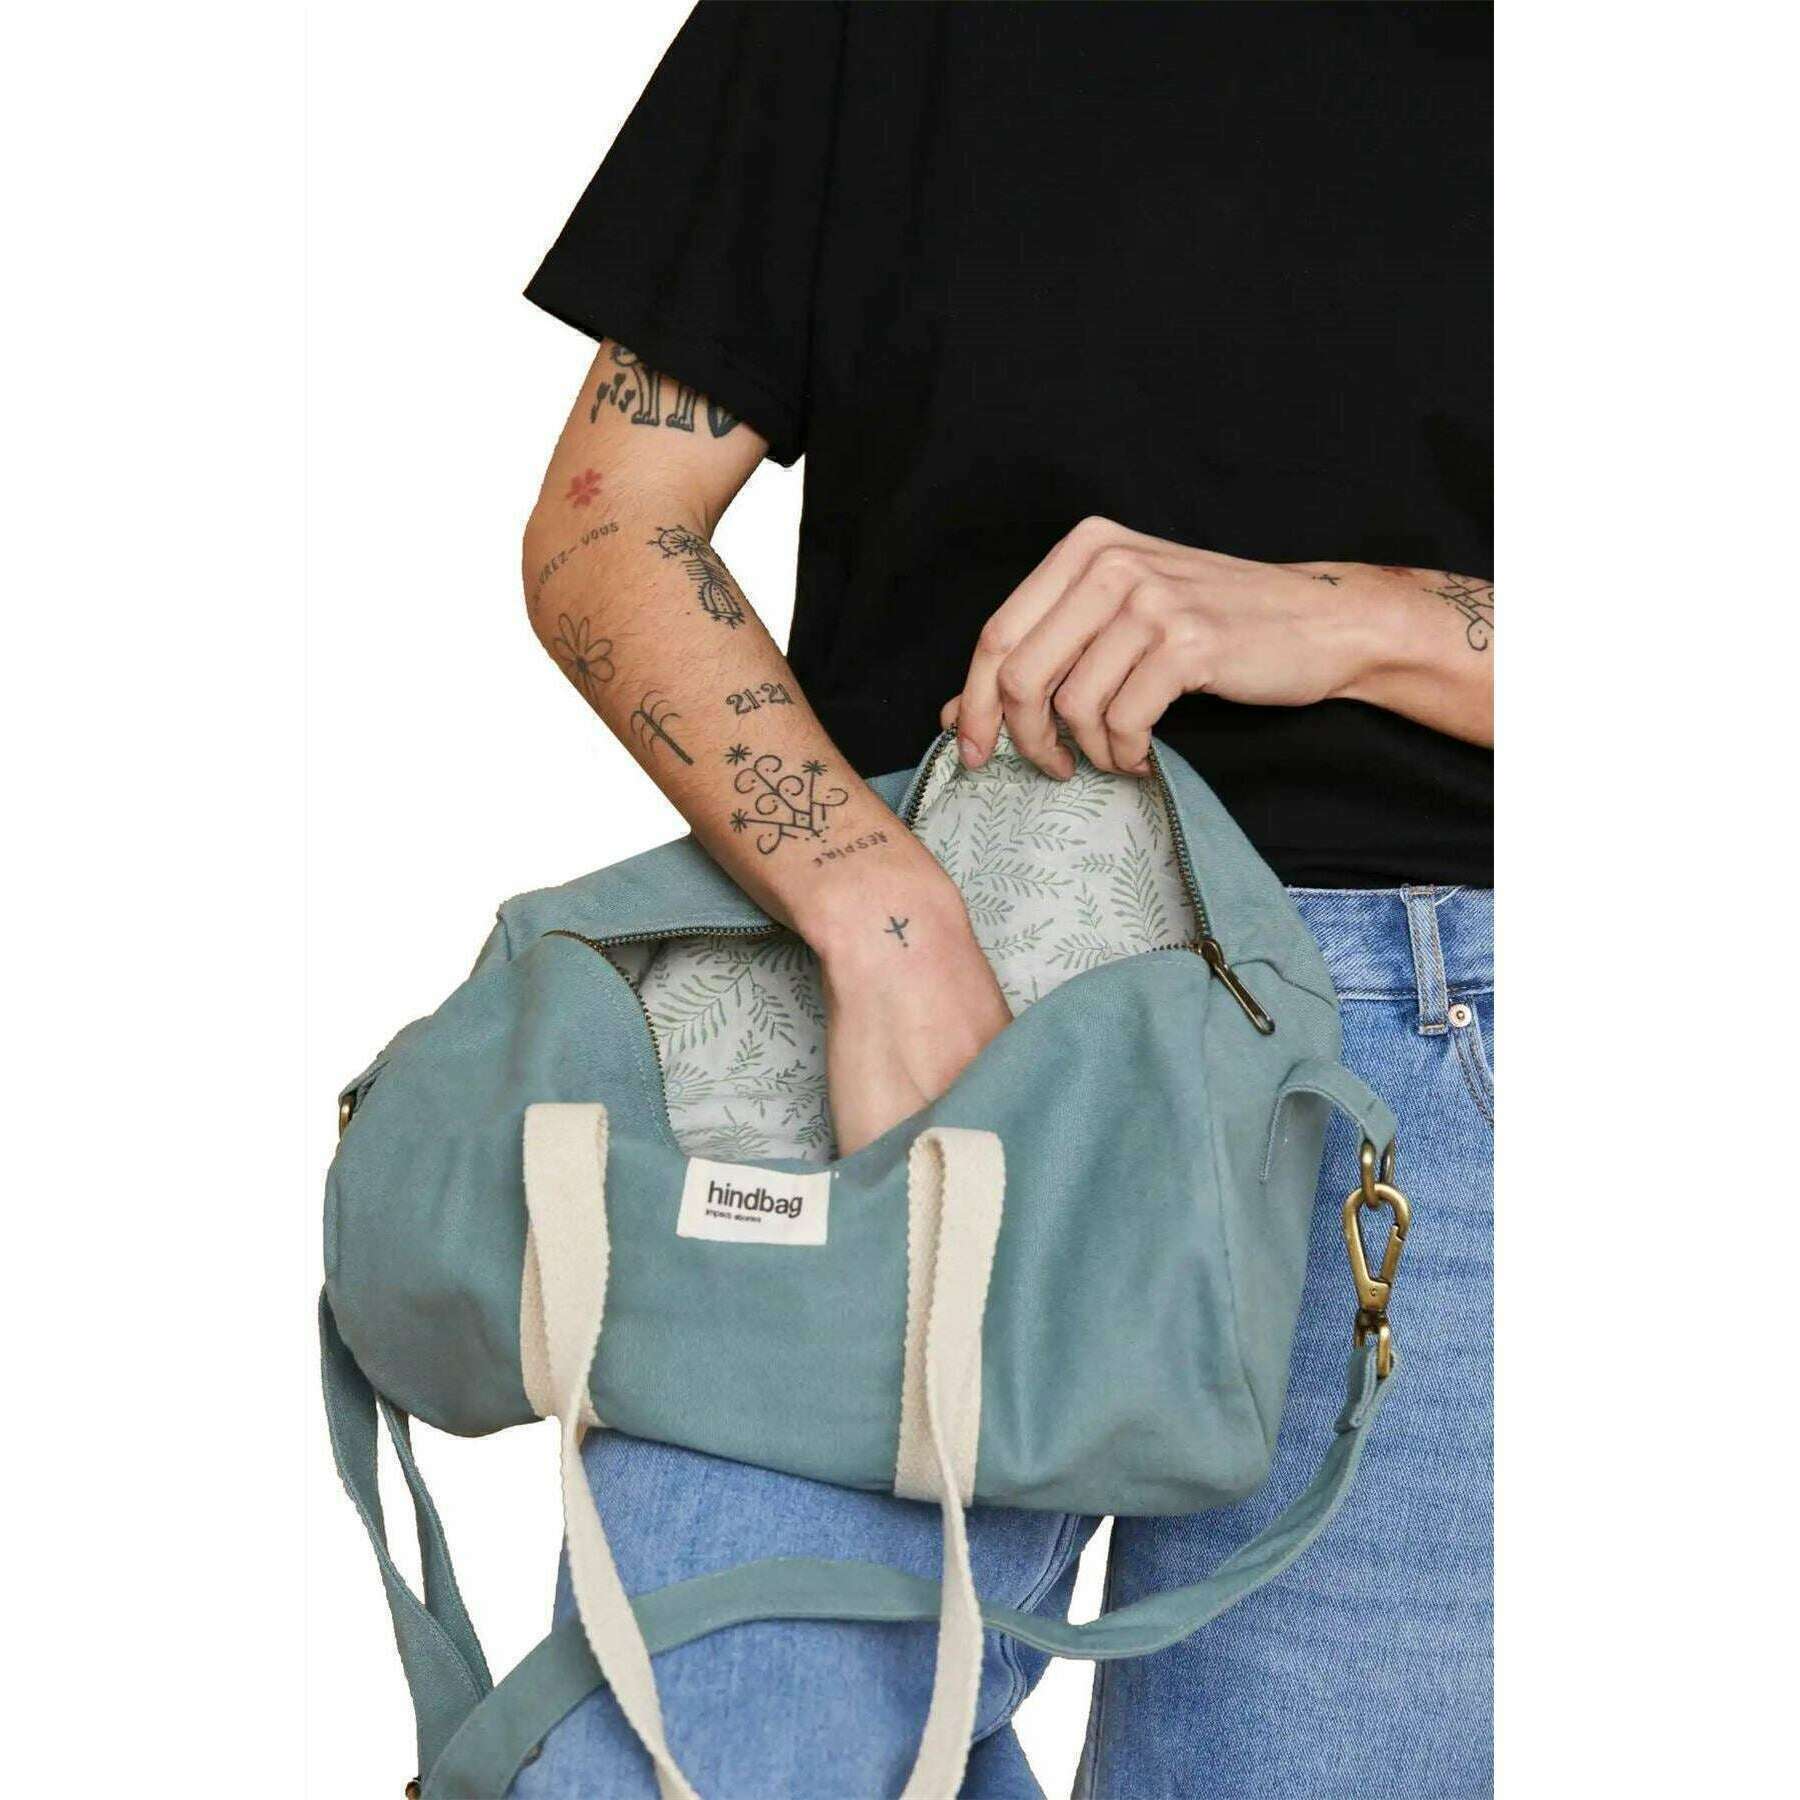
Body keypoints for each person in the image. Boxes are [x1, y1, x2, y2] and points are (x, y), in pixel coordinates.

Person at [511, 4, 1491, 1793]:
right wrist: (875, 910)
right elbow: (608, 525)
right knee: (667, 1754)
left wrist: (1366, 617)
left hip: (1437, 1052)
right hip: (924, 1003)